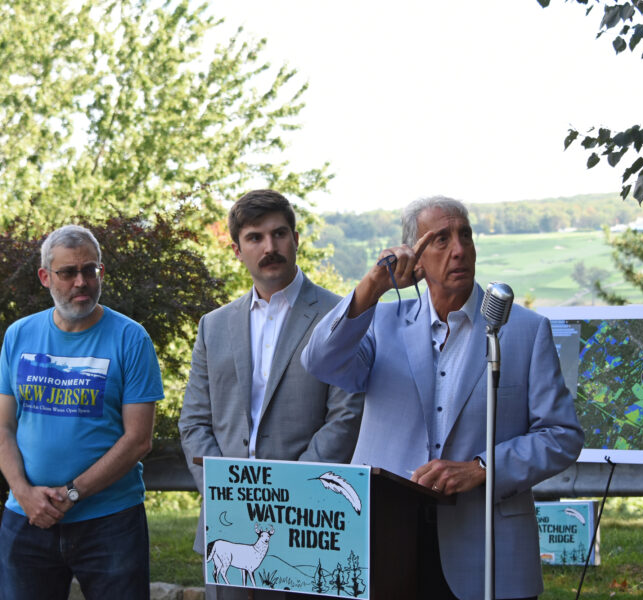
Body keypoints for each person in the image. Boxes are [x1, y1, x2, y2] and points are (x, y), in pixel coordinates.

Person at [301, 196, 584, 600]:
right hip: (387, 542)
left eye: (465, 235)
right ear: (414, 256)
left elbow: (562, 435)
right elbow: (319, 361)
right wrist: (375, 284)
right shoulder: (381, 322)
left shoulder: (524, 329)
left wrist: (483, 468)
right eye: (441, 239)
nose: (459, 249)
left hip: (488, 549)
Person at [178, 189, 364, 600]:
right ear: (237, 250)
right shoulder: (213, 326)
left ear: (296, 239)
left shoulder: (338, 316)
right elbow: (193, 421)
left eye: (279, 234)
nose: (269, 247)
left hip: (305, 524)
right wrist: (224, 491)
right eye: (255, 238)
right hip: (226, 524)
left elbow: (346, 416)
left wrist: (293, 493)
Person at [0, 225, 163, 600]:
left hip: (110, 522)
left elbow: (138, 440)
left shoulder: (131, 338)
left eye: (90, 270)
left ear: (101, 271)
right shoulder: (19, 335)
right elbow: (3, 428)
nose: (81, 282)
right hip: (27, 517)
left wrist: (71, 494)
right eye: (68, 272)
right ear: (45, 277)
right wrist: (24, 493)